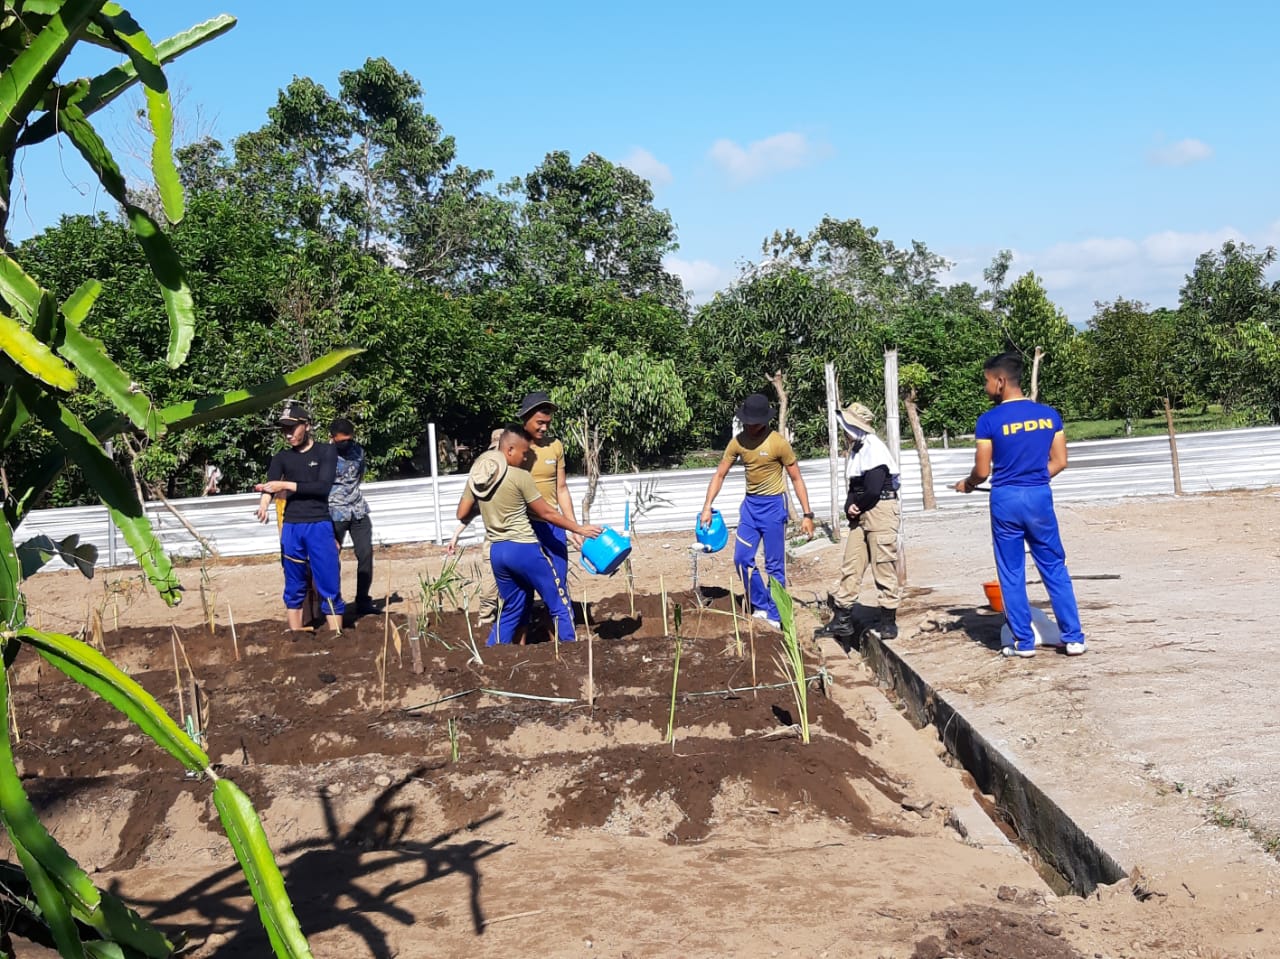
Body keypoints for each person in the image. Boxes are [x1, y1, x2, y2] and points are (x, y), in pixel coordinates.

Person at [954, 352, 1086, 658]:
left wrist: (968, 484)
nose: (985, 387)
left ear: (1000, 381)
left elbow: (983, 471)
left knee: (1011, 571)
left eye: (987, 381)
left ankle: (1023, 643)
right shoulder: (1050, 415)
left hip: (1006, 499)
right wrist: (1036, 477)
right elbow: (1061, 461)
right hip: (1039, 495)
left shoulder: (988, 421)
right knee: (1053, 566)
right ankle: (1074, 638)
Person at [454, 427, 602, 646]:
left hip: (497, 552)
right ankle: (573, 650)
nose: (526, 459)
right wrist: (578, 529)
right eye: (524, 453)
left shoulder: (478, 477)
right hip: (523, 548)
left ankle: (491, 653)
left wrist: (487, 507)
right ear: (510, 449)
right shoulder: (520, 476)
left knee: (511, 608)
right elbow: (546, 513)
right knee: (558, 600)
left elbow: (462, 513)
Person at [700, 393, 815, 628]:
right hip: (750, 508)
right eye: (748, 422)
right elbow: (720, 474)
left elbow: (796, 478)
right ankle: (761, 603)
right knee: (742, 558)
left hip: (773, 507)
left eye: (755, 422)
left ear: (764, 420)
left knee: (774, 565)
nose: (751, 427)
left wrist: (807, 514)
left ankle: (777, 615)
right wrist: (707, 506)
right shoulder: (738, 442)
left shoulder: (778, 443)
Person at [255, 403, 345, 632]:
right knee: (294, 584)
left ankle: (337, 636)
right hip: (292, 526)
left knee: (328, 581)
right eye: (284, 429)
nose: (288, 434)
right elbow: (269, 485)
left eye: (292, 428)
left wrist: (284, 485)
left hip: (318, 524)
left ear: (306, 426)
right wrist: (264, 503)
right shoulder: (281, 457)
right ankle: (295, 637)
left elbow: (322, 487)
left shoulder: (326, 451)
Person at [817, 402, 901, 642]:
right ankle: (842, 618)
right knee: (852, 563)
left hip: (880, 510)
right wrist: (849, 506)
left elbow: (874, 488)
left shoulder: (874, 448)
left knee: (883, 563)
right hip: (864, 510)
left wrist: (859, 505)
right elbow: (856, 485)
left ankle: (888, 620)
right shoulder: (857, 450)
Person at [516, 391, 582, 603]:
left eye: (548, 423)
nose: (544, 428)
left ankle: (558, 632)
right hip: (524, 526)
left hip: (553, 525)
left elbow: (561, 488)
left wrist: (572, 526)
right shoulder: (514, 448)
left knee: (558, 584)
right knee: (523, 587)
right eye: (539, 422)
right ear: (525, 418)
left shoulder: (555, 446)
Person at [328, 417, 377, 617]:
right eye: (341, 441)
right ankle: (333, 603)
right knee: (331, 558)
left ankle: (363, 601)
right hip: (333, 511)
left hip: (358, 509)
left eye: (348, 439)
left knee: (365, 554)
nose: (345, 444)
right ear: (332, 438)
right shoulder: (323, 455)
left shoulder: (358, 451)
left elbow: (360, 476)